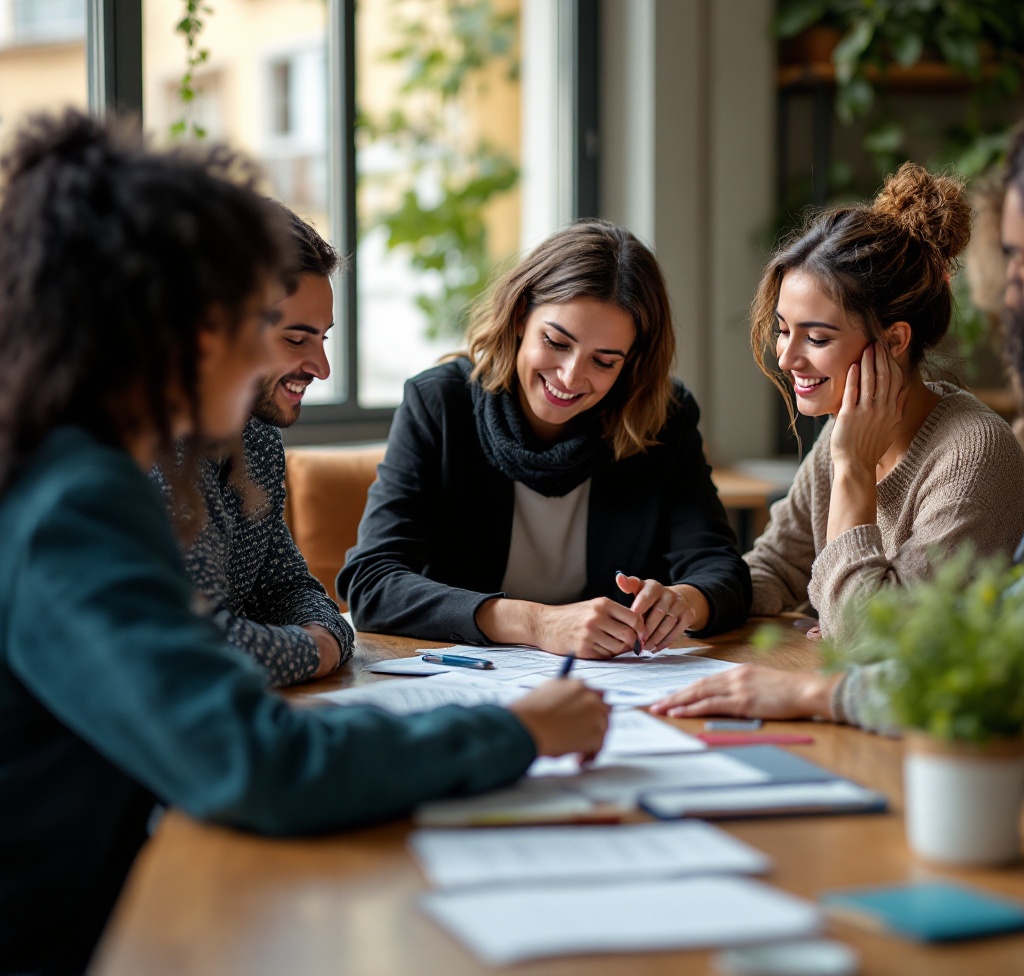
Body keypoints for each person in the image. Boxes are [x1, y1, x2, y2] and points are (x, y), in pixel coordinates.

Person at [0, 111, 609, 976]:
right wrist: (512, 732)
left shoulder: (70, 459)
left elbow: (265, 619)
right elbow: (256, 761)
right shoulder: (72, 501)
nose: (317, 368)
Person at [652, 154, 1024, 731]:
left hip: (932, 747)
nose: (786, 357)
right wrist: (690, 601)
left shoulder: (972, 454)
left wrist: (853, 470)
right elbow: (778, 566)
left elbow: (882, 647)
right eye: (782, 330)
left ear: (894, 339)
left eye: (816, 337)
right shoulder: (842, 432)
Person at [338, 220, 752, 659]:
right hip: (465, 681)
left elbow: (723, 573)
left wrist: (683, 603)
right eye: (556, 342)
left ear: (631, 365)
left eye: (604, 362)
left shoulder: (664, 418)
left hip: (611, 688)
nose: (571, 377)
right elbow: (372, 583)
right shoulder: (440, 403)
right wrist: (537, 623)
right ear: (520, 316)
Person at [152, 205, 351, 687]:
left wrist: (322, 639)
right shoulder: (147, 446)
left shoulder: (254, 442)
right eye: (296, 339)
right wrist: (316, 648)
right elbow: (192, 649)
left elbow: (290, 589)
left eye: (322, 339)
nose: (322, 367)